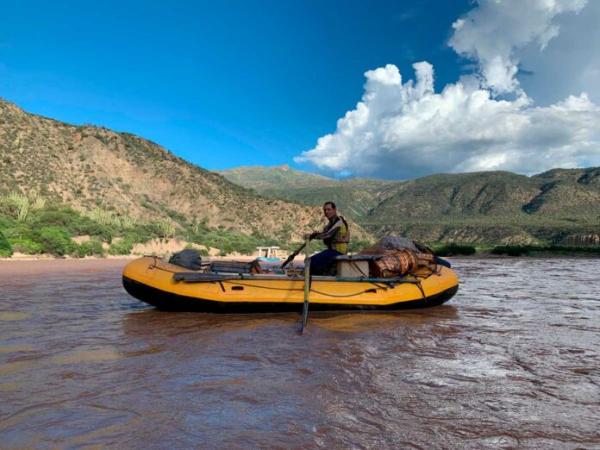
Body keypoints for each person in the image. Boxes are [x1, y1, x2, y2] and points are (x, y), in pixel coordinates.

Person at [305, 201, 350, 275]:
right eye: (325, 210)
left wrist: (313, 236)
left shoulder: (338, 222)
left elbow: (327, 235)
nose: (326, 212)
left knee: (310, 261)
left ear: (335, 210)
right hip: (332, 251)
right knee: (312, 261)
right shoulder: (330, 224)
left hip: (338, 252)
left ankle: (313, 282)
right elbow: (325, 234)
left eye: (329, 209)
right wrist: (316, 234)